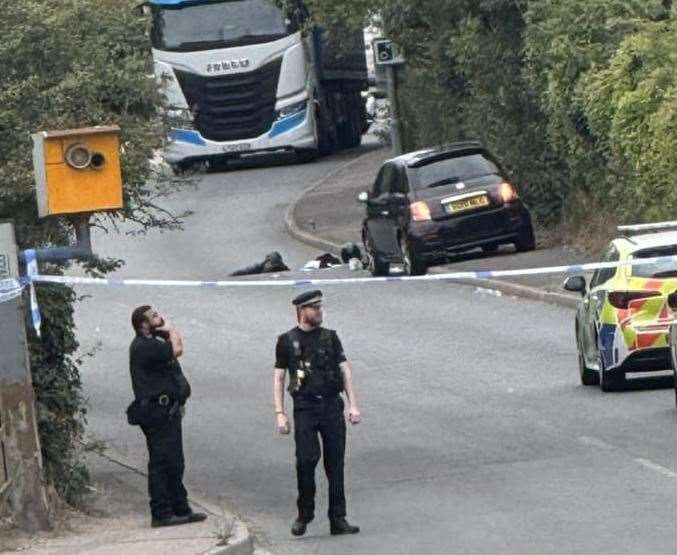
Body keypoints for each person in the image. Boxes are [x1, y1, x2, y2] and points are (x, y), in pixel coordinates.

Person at [273, 290, 361, 537]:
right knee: (306, 460)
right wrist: (280, 413)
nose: (319, 312)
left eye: (320, 307)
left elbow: (345, 371)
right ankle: (304, 513)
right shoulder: (286, 341)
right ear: (301, 311)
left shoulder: (330, 338)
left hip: (331, 406)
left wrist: (353, 404)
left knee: (335, 464)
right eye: (314, 308)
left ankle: (338, 518)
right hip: (305, 409)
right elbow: (279, 377)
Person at [128, 305, 207, 528]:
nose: (159, 317)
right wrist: (170, 328)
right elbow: (178, 348)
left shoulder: (155, 342)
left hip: (167, 411)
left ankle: (180, 508)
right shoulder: (144, 346)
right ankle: (161, 513)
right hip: (156, 412)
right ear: (143, 324)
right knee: (162, 462)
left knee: (175, 461)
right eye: (153, 316)